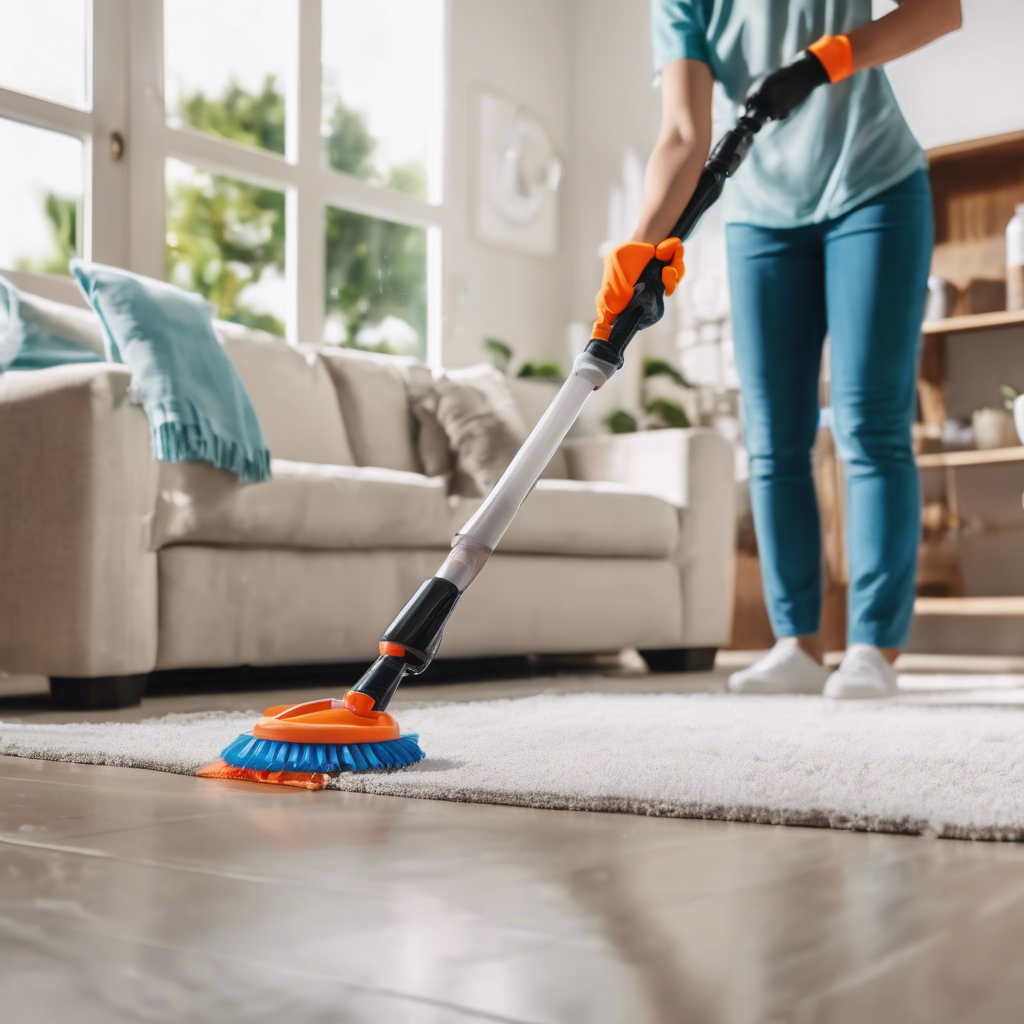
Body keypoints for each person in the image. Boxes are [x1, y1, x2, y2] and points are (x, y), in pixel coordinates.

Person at [594, 0, 962, 698]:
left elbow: (942, 11)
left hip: (875, 191)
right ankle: (796, 643)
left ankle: (873, 649)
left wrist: (826, 60)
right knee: (772, 439)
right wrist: (638, 244)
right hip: (762, 216)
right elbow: (681, 133)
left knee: (868, 424)